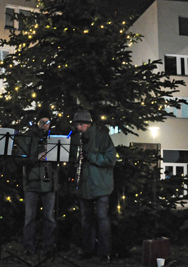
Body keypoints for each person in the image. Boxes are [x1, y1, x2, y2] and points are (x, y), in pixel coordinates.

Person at [71, 108, 116, 264]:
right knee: (86, 220)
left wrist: (91, 157)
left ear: (89, 124)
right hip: (84, 185)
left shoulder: (102, 136)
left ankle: (105, 252)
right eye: (77, 125)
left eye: (82, 125)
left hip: (101, 185)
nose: (79, 128)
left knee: (102, 219)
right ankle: (87, 250)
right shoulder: (77, 138)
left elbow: (111, 159)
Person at [17, 108, 56, 256]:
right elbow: (20, 157)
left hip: (49, 182)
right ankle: (29, 247)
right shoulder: (28, 137)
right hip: (31, 182)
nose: (45, 125)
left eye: (48, 122)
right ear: (37, 122)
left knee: (49, 217)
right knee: (30, 217)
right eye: (42, 122)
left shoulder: (54, 138)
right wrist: (36, 157)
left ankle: (49, 247)